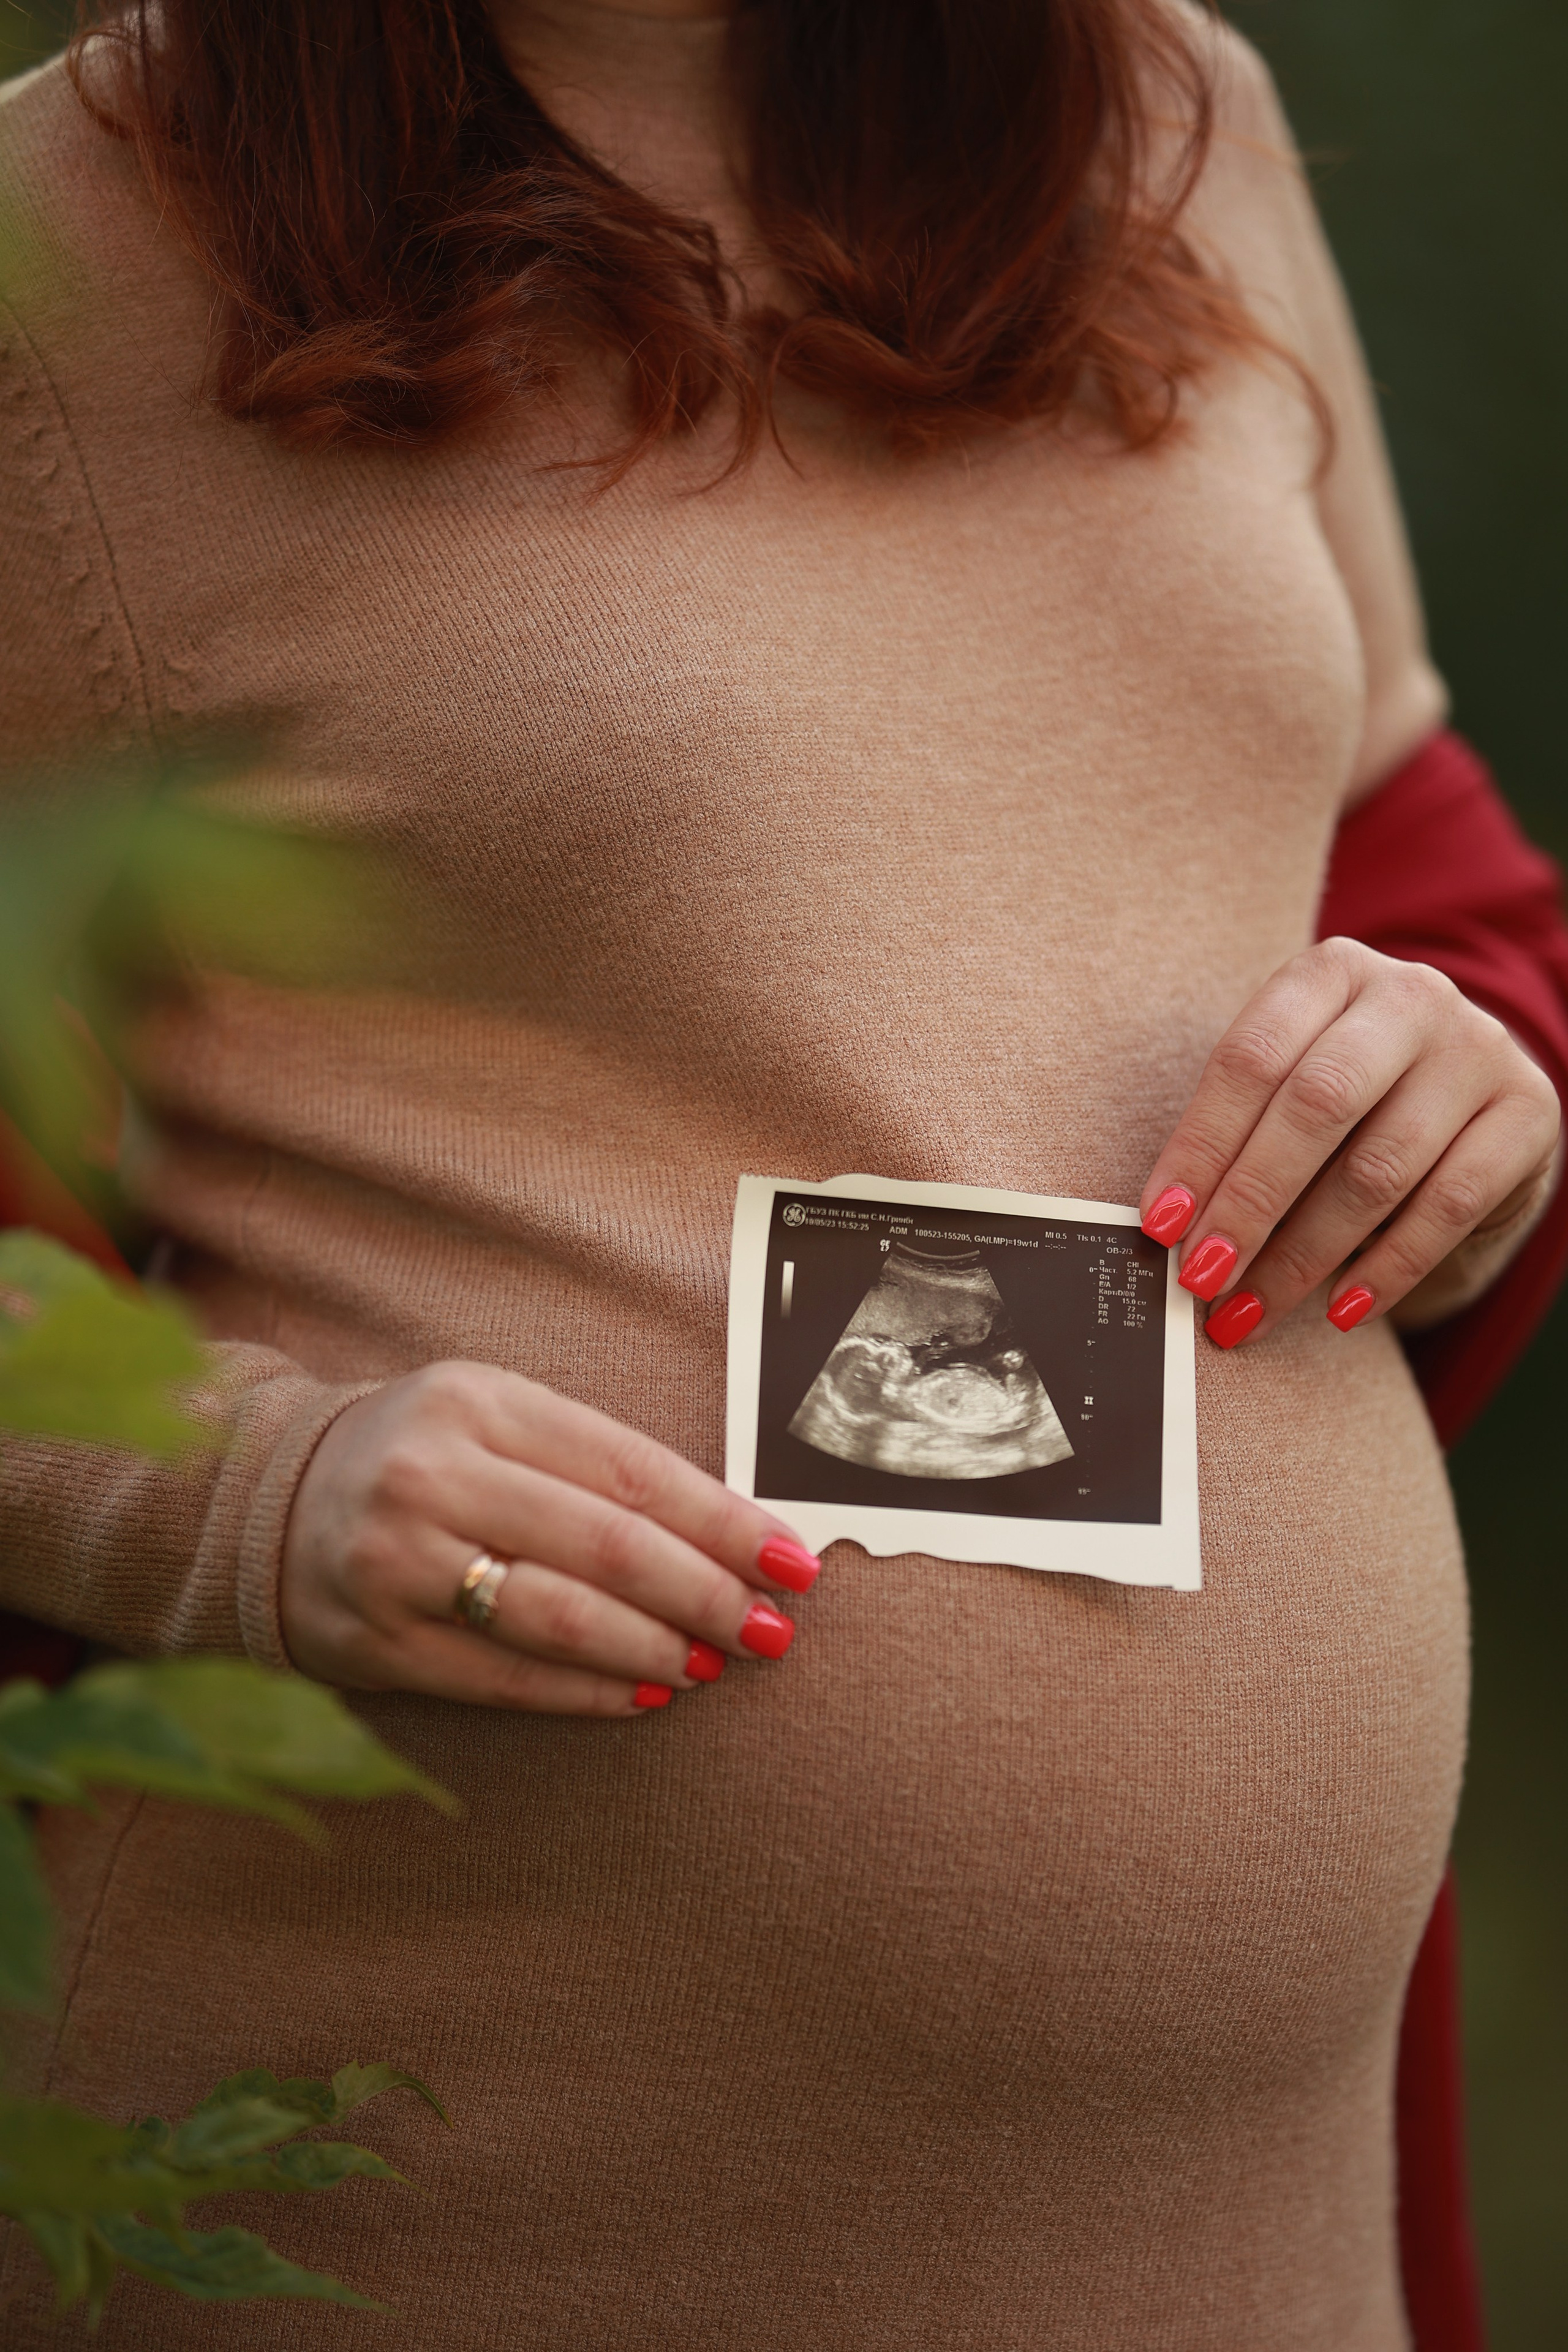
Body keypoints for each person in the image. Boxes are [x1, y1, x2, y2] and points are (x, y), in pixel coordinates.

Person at [0, 2, 1560, 2343]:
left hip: (1245, 2225)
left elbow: (1428, 871)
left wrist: (1479, 1074)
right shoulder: (60, 246)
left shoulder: (1174, 115)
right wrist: (220, 1494)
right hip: (443, 2160)